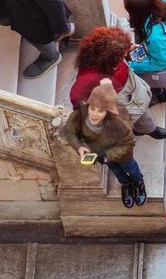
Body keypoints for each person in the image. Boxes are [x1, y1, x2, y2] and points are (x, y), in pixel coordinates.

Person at [59, 77, 147, 208]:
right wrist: (79, 147)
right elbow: (69, 132)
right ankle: (126, 184)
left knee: (130, 169)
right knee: (117, 172)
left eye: (100, 111)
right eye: (92, 109)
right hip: (102, 156)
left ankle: (138, 182)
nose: (94, 114)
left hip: (121, 154)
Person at [69, 26, 166, 139]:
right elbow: (78, 102)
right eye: (122, 56)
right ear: (108, 60)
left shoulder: (110, 55)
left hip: (133, 90)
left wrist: (130, 53)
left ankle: (147, 129)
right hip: (116, 103)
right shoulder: (87, 80)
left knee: (143, 114)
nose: (124, 57)